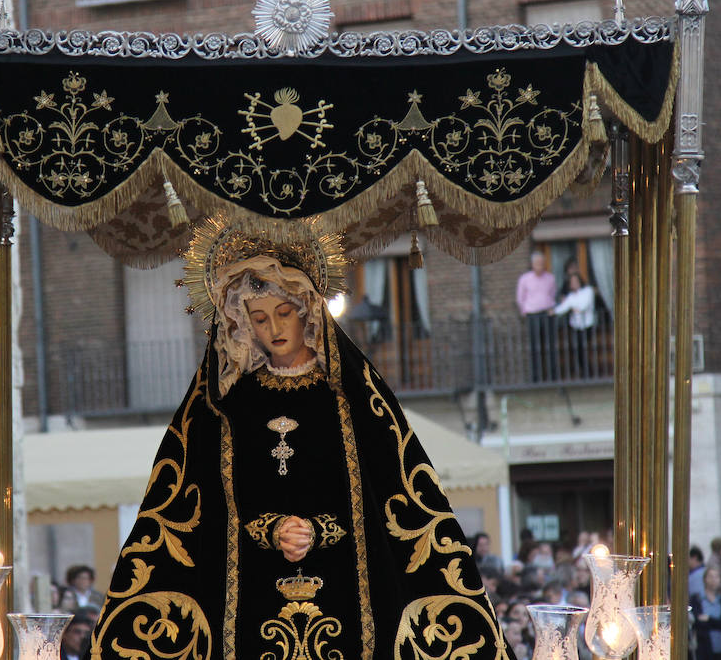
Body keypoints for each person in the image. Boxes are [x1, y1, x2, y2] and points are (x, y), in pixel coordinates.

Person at [88, 221, 515, 660]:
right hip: (247, 597)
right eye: (259, 317)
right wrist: (272, 528)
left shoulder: (353, 397)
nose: (273, 327)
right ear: (242, 323)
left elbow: (388, 496)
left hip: (348, 593)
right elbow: (199, 504)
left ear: (307, 309)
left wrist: (319, 528)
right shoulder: (225, 405)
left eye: (283, 312)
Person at [516, 251, 559, 382]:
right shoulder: (525, 279)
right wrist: (525, 312)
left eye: (541, 263)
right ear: (532, 264)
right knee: (535, 347)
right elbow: (520, 297)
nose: (539, 266)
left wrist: (552, 307)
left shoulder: (550, 278)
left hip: (547, 314)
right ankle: (536, 378)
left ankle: (552, 377)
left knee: (550, 346)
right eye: (537, 264)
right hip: (532, 315)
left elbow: (553, 294)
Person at [550, 274, 596, 378]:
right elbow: (563, 308)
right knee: (577, 349)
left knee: (585, 348)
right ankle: (583, 371)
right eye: (572, 282)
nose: (574, 283)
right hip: (576, 326)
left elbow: (583, 306)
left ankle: (589, 371)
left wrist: (572, 306)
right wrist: (553, 311)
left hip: (587, 324)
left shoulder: (588, 291)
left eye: (576, 281)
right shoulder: (571, 296)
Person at [690, 567, 721, 660]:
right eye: (711, 576)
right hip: (703, 646)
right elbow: (697, 620)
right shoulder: (696, 599)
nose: (714, 580)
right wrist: (714, 622)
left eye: (717, 577)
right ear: (705, 579)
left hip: (720, 645)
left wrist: (709, 619)